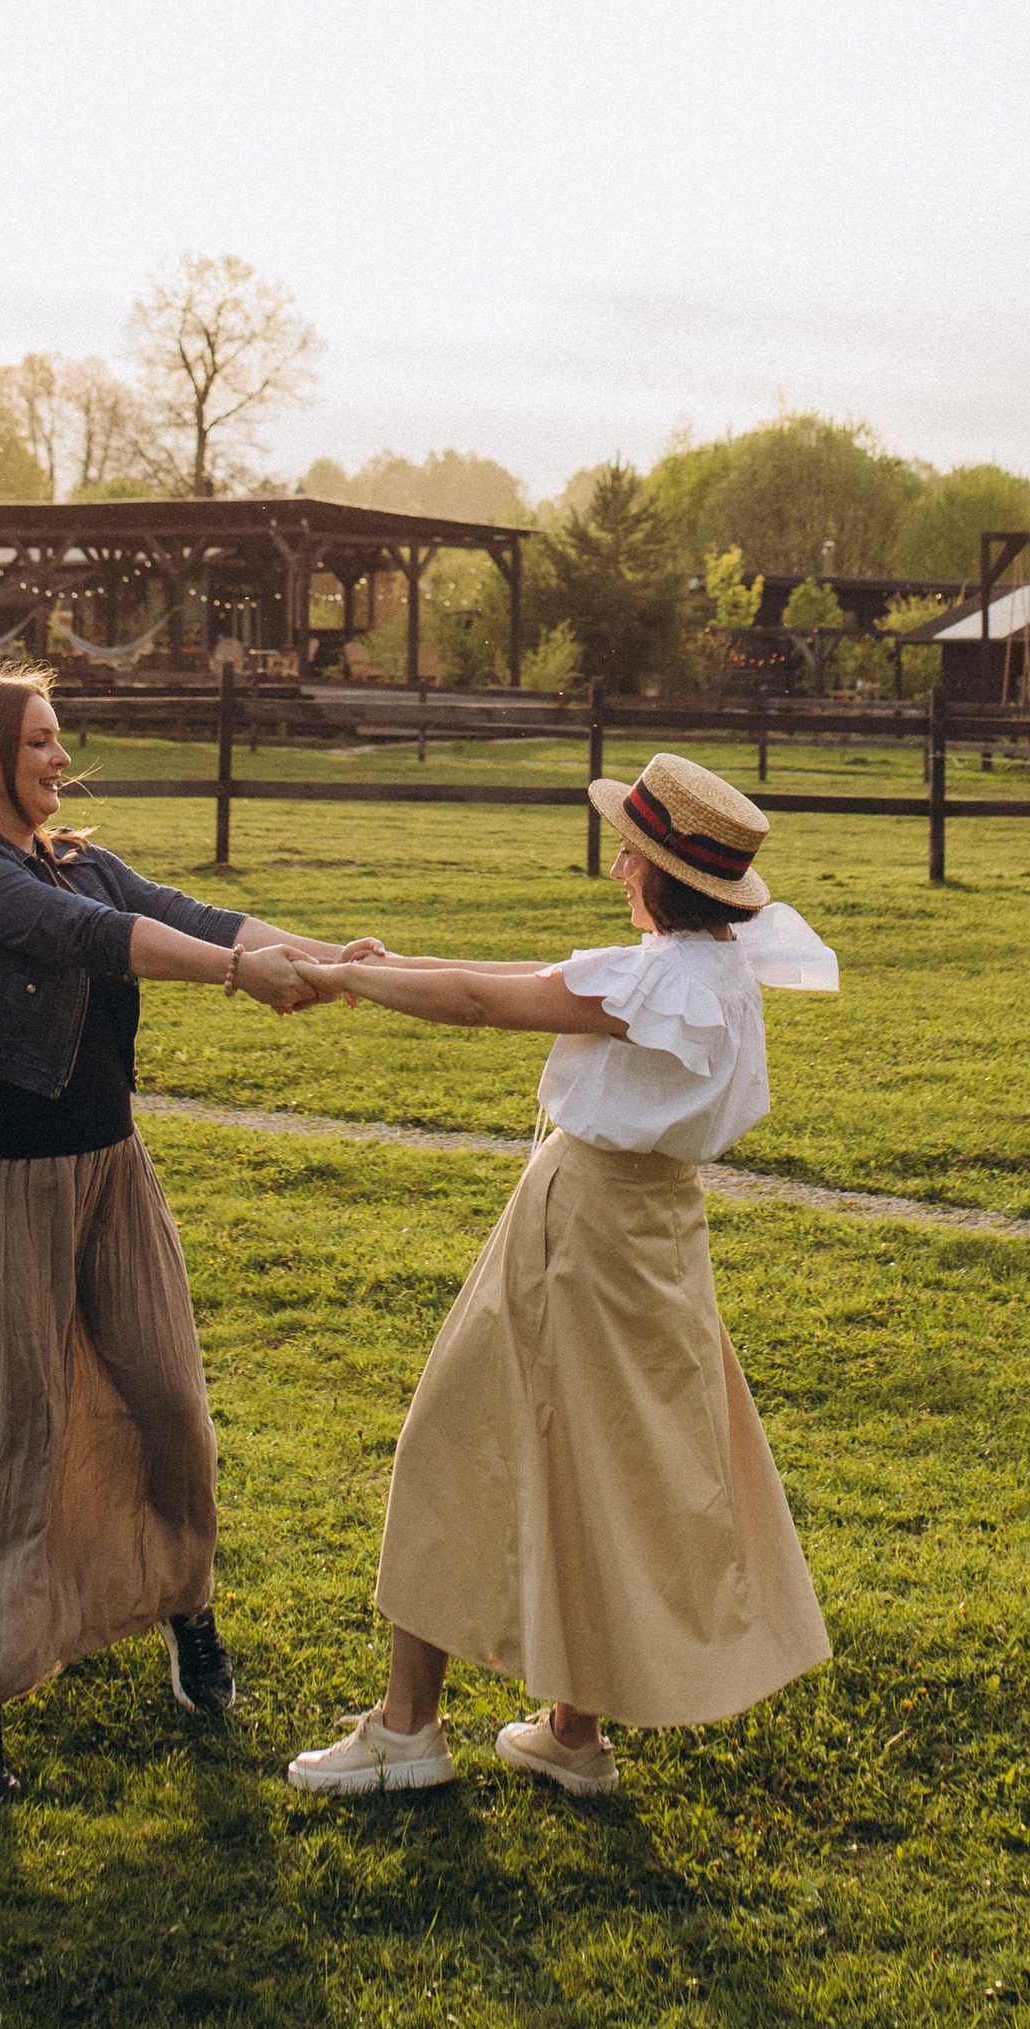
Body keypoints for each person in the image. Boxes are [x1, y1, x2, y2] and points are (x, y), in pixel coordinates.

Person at [274, 749, 838, 1801]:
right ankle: (571, 1732)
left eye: (626, 851)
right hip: (658, 1231)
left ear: (646, 871)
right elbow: (524, 981)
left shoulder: (657, 977)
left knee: (453, 1436)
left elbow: (495, 1004)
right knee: (610, 1460)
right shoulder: (712, 971)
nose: (615, 866)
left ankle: (407, 1729)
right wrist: (385, 962)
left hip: (579, 1229)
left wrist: (351, 977)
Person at [0, 668, 378, 1806]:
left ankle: (184, 1608)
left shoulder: (71, 854)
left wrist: (334, 961)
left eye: (58, 742)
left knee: (167, 1396)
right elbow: (93, 939)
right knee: (14, 1424)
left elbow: (187, 914)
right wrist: (239, 979)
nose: (61, 763)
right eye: (40, 743)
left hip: (107, 1162)